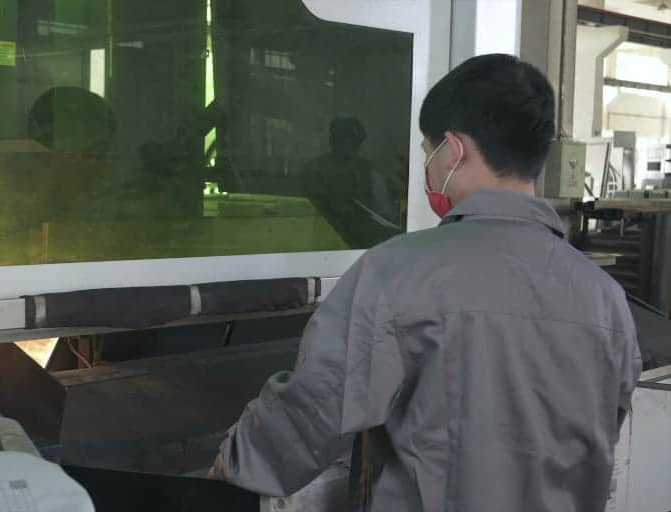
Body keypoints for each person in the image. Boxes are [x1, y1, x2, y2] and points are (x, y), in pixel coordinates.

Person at [209, 54, 642, 511]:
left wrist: (232, 463)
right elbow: (598, 433)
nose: (428, 170)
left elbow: (313, 411)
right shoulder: (607, 299)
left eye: (427, 152)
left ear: (452, 150)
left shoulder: (399, 273)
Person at [303, 118, 396, 247]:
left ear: (358, 143)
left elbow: (385, 214)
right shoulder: (316, 169)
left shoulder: (369, 171)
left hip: (363, 245)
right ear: (332, 141)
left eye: (351, 140)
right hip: (324, 242)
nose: (346, 145)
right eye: (340, 139)